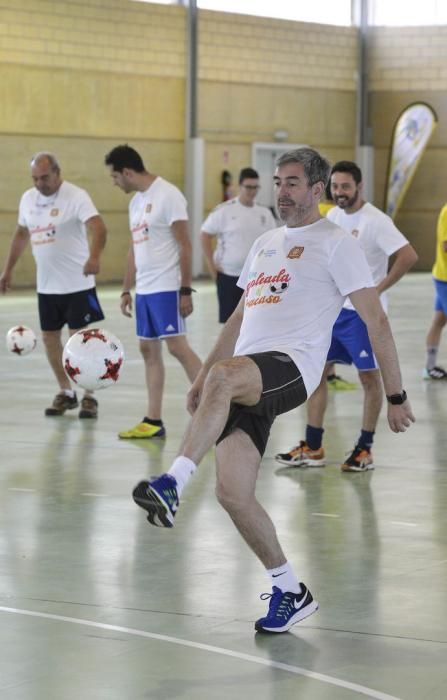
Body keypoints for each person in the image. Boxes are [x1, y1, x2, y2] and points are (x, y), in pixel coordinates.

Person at [131, 148, 414, 634]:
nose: (282, 191)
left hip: (292, 367)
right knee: (233, 494)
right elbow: (239, 316)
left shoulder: (335, 242)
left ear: (317, 189)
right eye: (278, 182)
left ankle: (173, 482)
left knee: (224, 376)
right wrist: (201, 379)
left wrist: (396, 394)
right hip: (246, 376)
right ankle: (290, 588)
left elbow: (377, 319)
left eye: (292, 183)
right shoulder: (266, 242)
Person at [275, 160, 418, 472]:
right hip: (334, 313)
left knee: (369, 379)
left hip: (362, 317)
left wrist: (379, 288)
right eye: (335, 187)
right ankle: (313, 446)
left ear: (359, 187)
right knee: (318, 375)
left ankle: (364, 449)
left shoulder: (375, 221)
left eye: (345, 187)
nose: (339, 193)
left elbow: (408, 255)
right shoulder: (333, 215)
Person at [104, 144, 202, 439]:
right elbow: (134, 250)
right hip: (145, 289)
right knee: (148, 350)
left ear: (128, 172)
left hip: (166, 286)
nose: (114, 182)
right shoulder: (136, 203)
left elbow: (185, 244)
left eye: (115, 177)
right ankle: (153, 421)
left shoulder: (168, 195)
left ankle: (216, 409)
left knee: (177, 347)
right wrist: (125, 289)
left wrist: (185, 289)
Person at [0, 152, 107, 419]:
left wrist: (94, 257)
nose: (39, 183)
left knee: (81, 340)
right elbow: (22, 233)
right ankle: (66, 392)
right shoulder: (28, 199)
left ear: (57, 173)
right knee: (50, 338)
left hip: (77, 284)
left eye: (44, 177)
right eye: (35, 178)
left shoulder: (76, 196)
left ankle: (89, 395)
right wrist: (8, 269)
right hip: (47, 286)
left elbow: (98, 227)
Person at [201, 167, 277, 323]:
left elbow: (273, 242)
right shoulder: (224, 210)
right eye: (248, 187)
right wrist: (211, 266)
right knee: (230, 325)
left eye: (256, 187)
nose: (252, 191)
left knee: (253, 323)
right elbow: (204, 235)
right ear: (239, 186)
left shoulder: (265, 213)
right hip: (229, 277)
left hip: (256, 279)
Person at [424, 203, 447, 379]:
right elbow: (445, 245)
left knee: (439, 320)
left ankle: (430, 368)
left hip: (441, 275)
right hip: (445, 278)